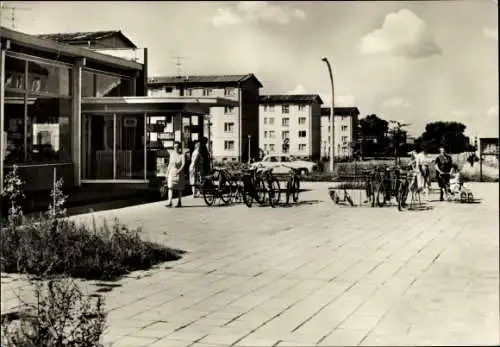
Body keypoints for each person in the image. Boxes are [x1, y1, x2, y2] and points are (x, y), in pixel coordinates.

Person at [165, 141, 186, 208]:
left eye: (177, 147)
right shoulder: (172, 154)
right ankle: (170, 202)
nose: (175, 148)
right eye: (174, 147)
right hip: (172, 172)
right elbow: (170, 164)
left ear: (179, 147)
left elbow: (183, 164)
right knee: (170, 187)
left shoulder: (182, 155)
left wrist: (179, 170)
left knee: (179, 188)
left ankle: (179, 202)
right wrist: (167, 172)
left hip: (179, 173)